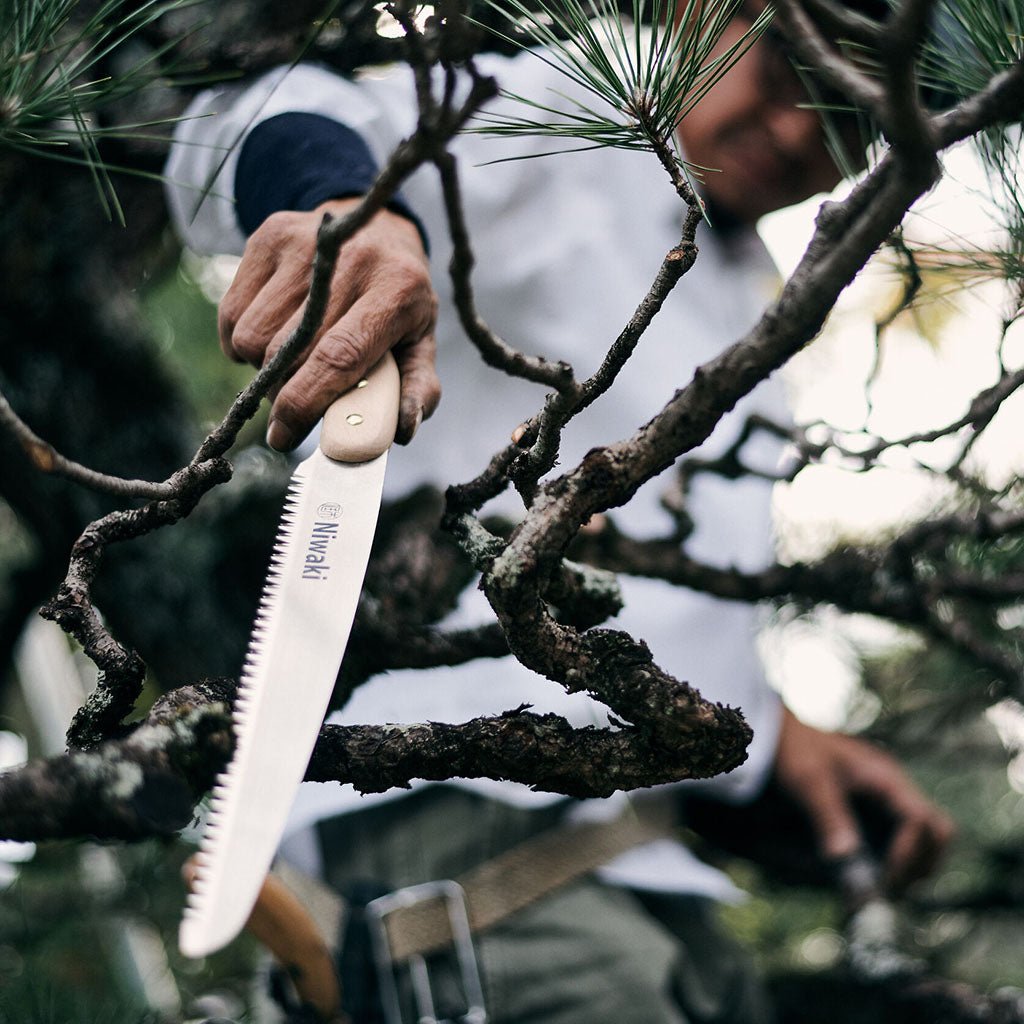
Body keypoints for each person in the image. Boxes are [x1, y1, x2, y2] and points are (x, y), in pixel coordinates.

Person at [166, 4, 954, 1021]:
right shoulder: (578, 110)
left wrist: (771, 736)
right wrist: (350, 206)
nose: (802, 131)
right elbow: (250, 113)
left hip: (639, 868)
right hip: (460, 840)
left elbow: (640, 606)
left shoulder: (754, 291)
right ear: (709, 15)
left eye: (851, 118)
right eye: (790, 72)